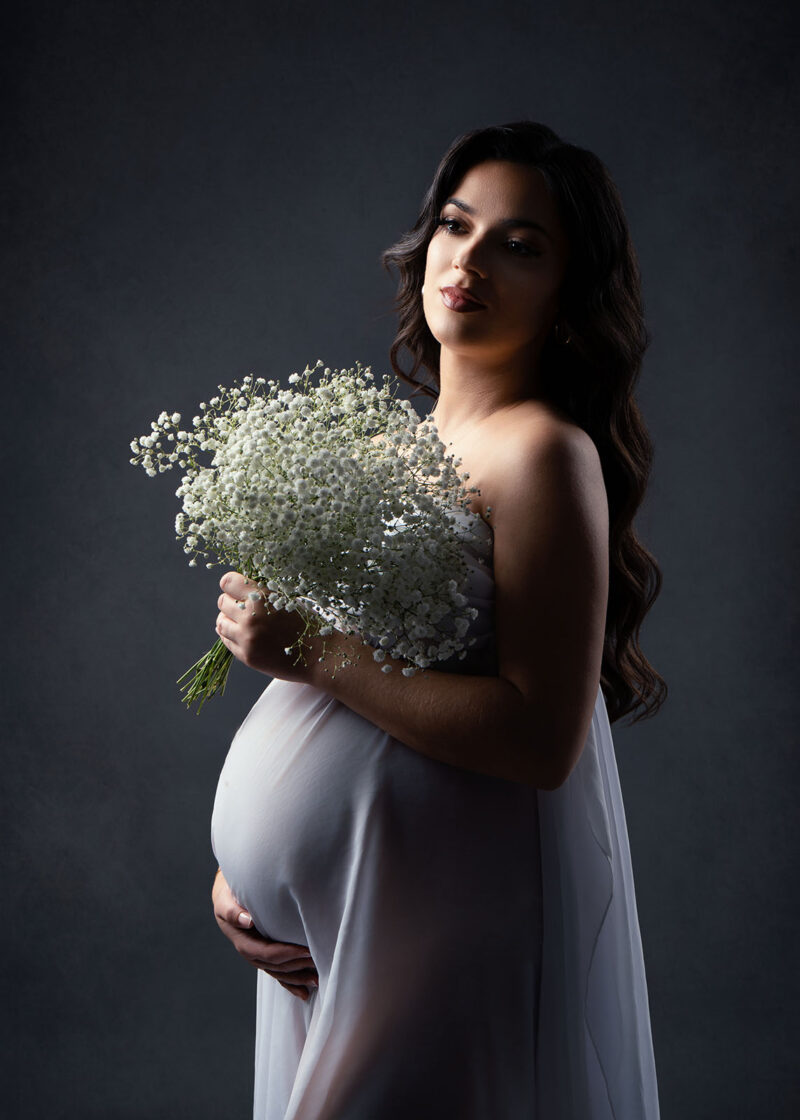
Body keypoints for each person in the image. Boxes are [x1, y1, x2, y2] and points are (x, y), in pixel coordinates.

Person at [210, 120, 666, 1119]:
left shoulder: (540, 453)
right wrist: (238, 873)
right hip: (334, 926)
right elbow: (341, 714)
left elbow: (540, 735)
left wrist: (315, 654)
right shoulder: (394, 447)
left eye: (520, 244)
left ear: (565, 294)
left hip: (439, 923)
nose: (469, 258)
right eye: (456, 226)